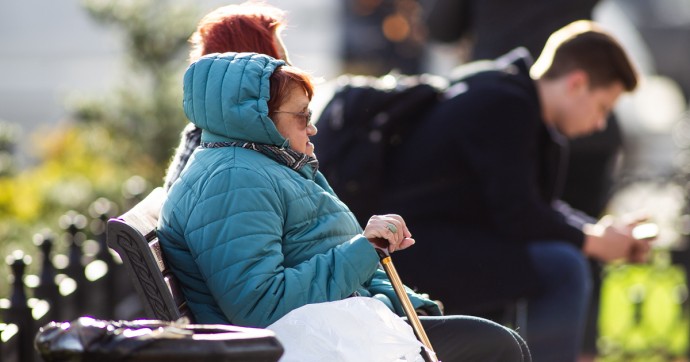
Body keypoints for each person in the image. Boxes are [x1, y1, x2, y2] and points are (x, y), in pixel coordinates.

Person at [157, 51, 531, 361]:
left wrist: (405, 302)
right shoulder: (233, 179)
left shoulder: (261, 163)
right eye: (302, 116)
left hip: (332, 330)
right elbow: (262, 305)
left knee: (499, 344)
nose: (313, 127)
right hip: (298, 345)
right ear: (257, 117)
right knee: (497, 348)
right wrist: (366, 248)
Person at [378, 20, 652, 362]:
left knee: (556, 257)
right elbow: (519, 215)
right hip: (412, 250)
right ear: (577, 83)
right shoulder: (508, 105)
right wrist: (594, 241)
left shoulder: (508, 89)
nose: (599, 124)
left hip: (433, 242)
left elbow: (534, 205)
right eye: (603, 108)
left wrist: (595, 232)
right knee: (563, 266)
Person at [163, 1, 290, 191]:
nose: (291, 71)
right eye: (281, 64)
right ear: (250, 69)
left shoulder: (233, 134)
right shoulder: (221, 144)